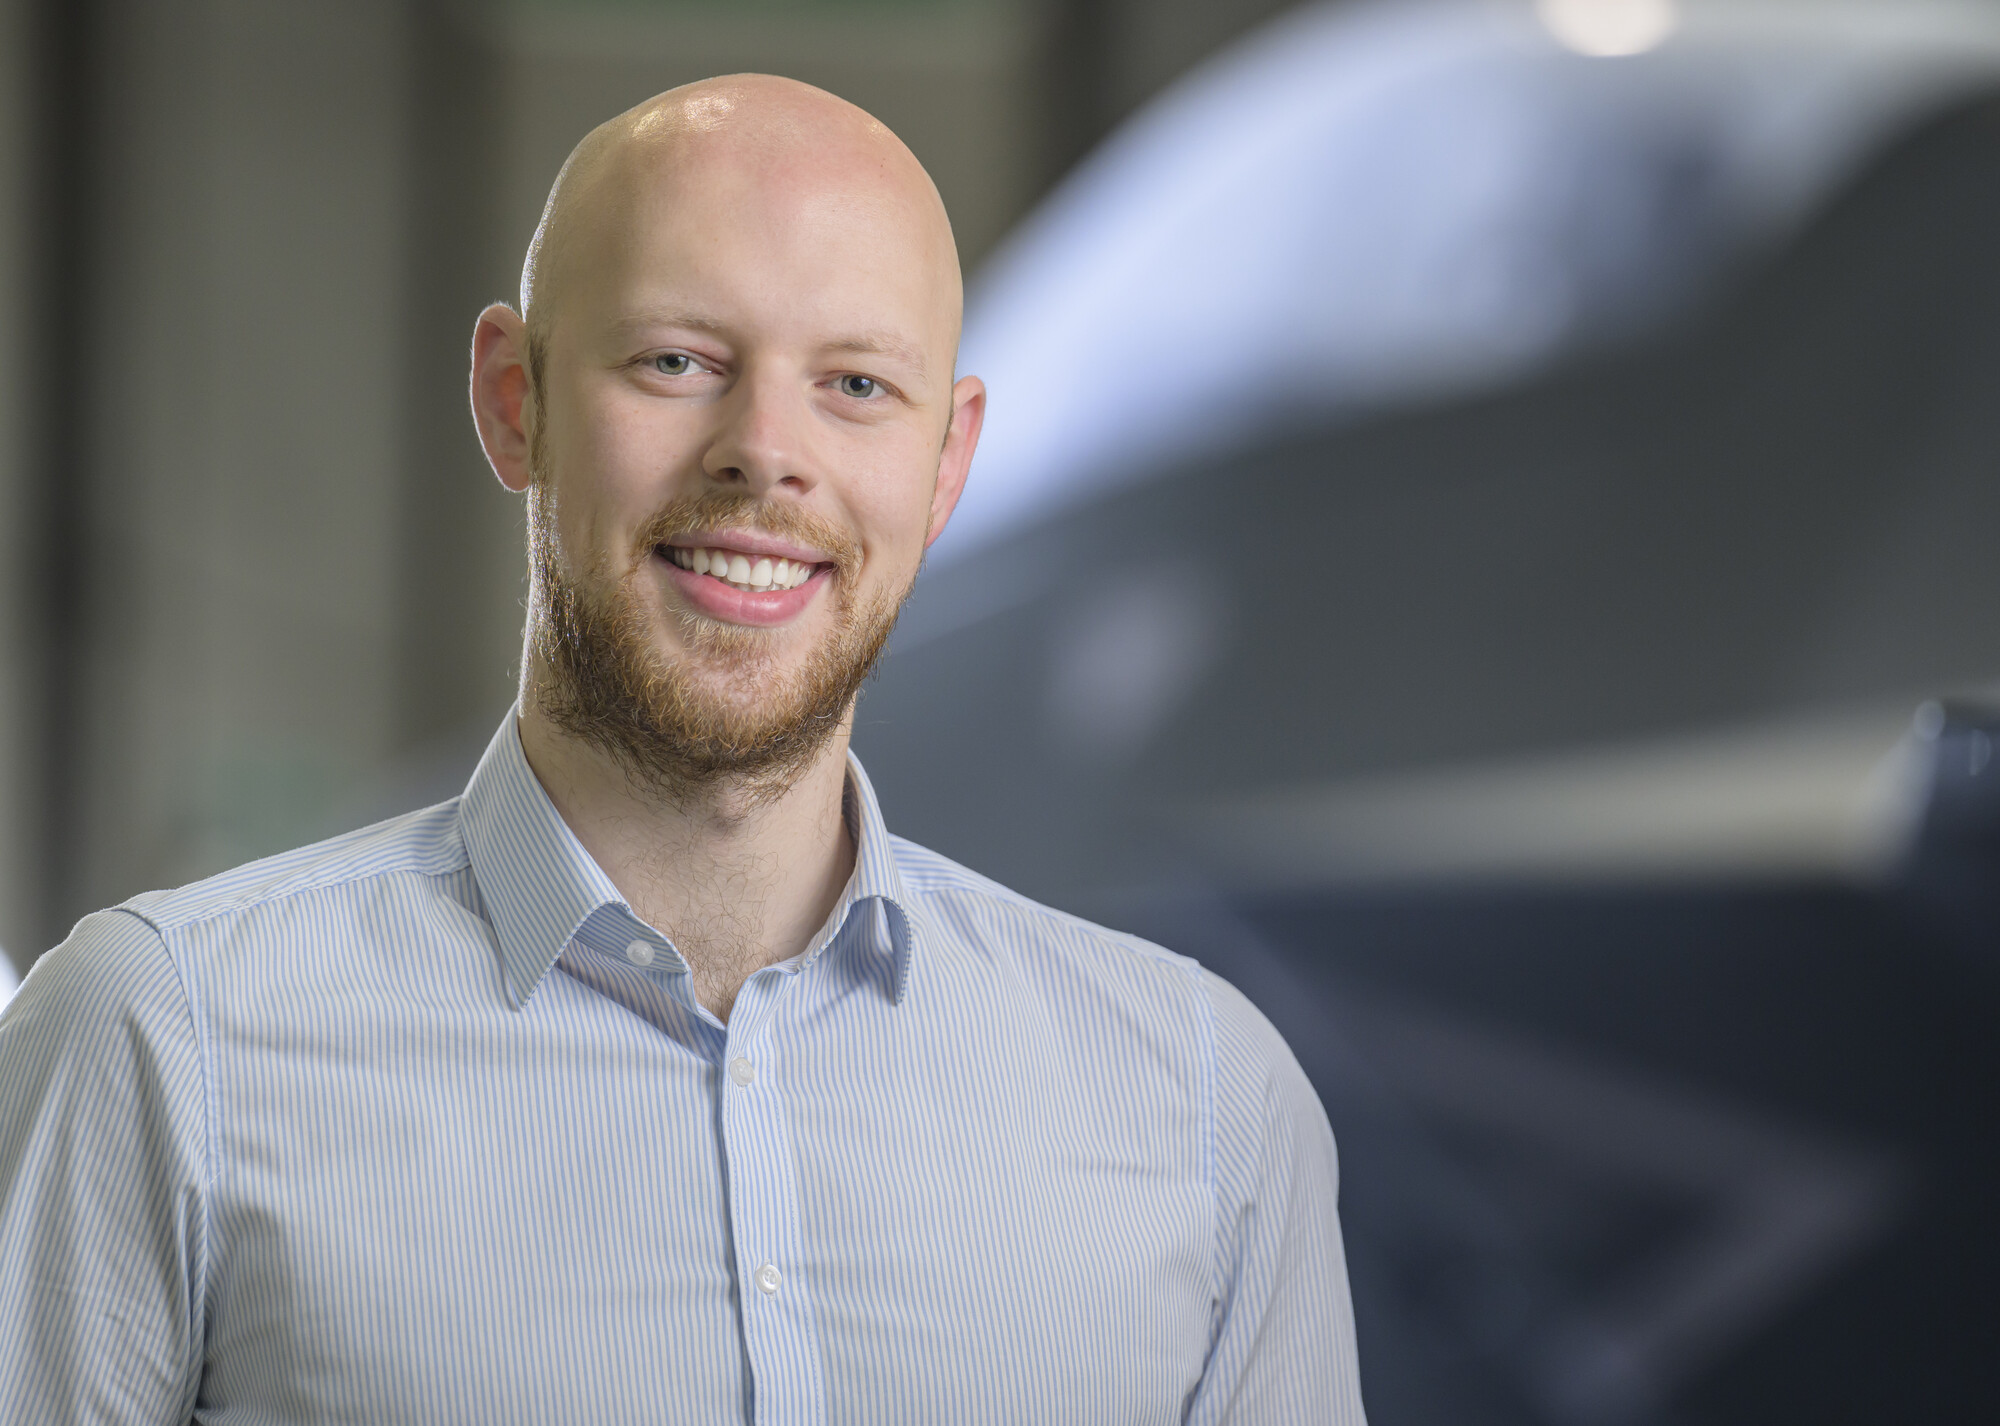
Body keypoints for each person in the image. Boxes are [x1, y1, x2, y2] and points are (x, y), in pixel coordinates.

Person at [0, 76, 1366, 1422]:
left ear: (948, 462)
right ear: (514, 399)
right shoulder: (162, 1044)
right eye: (677, 362)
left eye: (856, 383)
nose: (764, 452)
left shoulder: (1206, 1107)